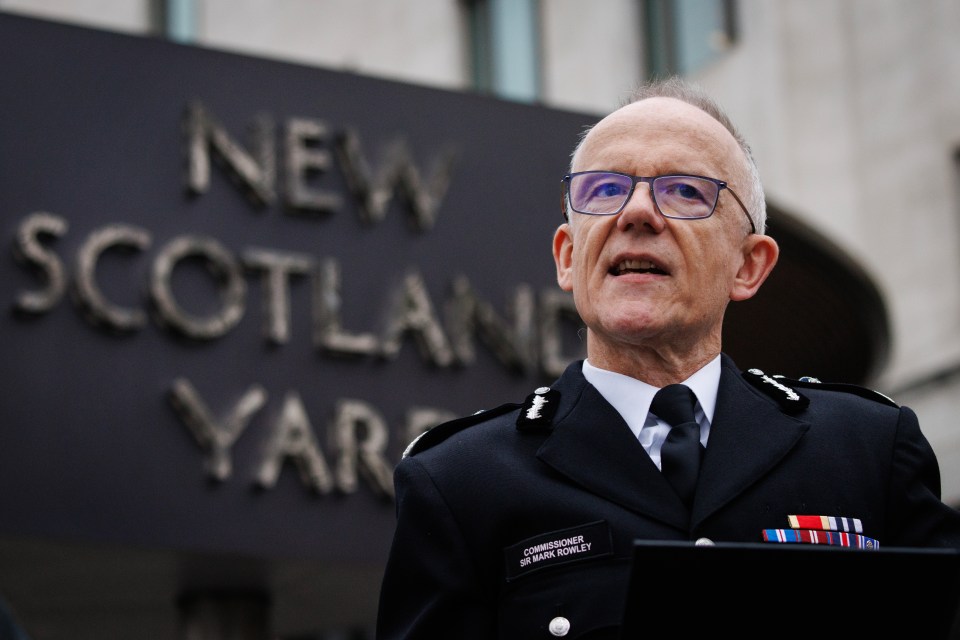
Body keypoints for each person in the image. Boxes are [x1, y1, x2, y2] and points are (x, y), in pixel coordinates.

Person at [375, 76, 960, 639]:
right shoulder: (459, 482)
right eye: (604, 190)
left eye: (684, 190)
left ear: (748, 265)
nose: (636, 213)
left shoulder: (868, 450)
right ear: (566, 257)